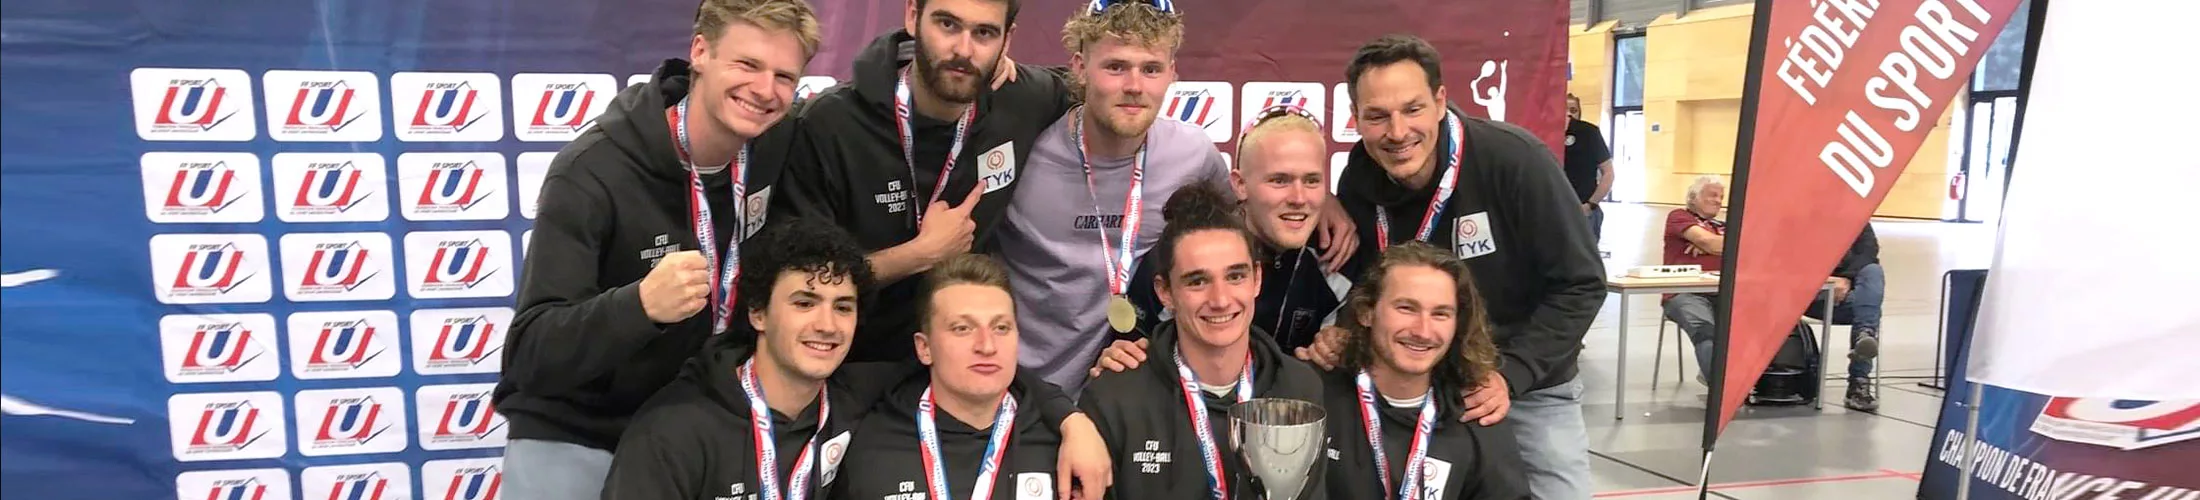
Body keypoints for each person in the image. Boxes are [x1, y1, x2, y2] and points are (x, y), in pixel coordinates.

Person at [494, 2, 822, 498]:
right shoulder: (591, 171)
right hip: (582, 434)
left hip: (695, 433)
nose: (764, 89)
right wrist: (640, 305)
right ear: (700, 52)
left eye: (784, 75)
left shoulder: (776, 147)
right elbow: (529, 353)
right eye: (748, 64)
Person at [602, 220, 1113, 500]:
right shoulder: (674, 431)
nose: (826, 324)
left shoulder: (855, 396)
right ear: (758, 313)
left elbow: (975, 369)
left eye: (842, 307)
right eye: (804, 303)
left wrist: (1071, 418)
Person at [1328, 34, 1606, 499]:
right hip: (1416, 378)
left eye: (1412, 109)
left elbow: (1581, 285)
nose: (1397, 132)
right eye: (1377, 116)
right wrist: (1340, 327)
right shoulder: (1361, 175)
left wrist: (1511, 375)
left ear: (1440, 101)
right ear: (1357, 118)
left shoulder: (1515, 160)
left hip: (1525, 384)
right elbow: (1369, 281)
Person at [776, 0, 1076, 363]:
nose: (964, 50)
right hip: (847, 365)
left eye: (984, 33)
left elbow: (1106, 90)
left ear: (1007, 40)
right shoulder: (831, 125)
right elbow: (800, 283)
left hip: (959, 366)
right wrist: (919, 254)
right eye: (947, 25)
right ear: (912, 16)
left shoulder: (1025, 98)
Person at [993, 0, 1231, 395]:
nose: (1134, 86)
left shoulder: (1194, 154)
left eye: (1151, 69)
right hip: (1022, 395)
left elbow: (1240, 227)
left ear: (1173, 74)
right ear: (1079, 67)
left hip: (1128, 396)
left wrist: (1325, 201)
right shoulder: (1024, 154)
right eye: (1116, 66)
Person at [1077, 183, 1327, 500]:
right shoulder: (1113, 396)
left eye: (1235, 276)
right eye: (1198, 281)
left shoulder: (1300, 388)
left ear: (1257, 279)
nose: (1220, 299)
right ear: (1165, 292)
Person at [827, 254, 1072, 500]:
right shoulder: (863, 437)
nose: (987, 346)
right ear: (924, 348)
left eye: (1001, 328)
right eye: (962, 328)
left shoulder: (1064, 444)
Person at [1121, 107, 1350, 355]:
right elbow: (1131, 354)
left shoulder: (1336, 256)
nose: (1298, 197)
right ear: (1240, 185)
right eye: (1279, 180)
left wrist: (1336, 351)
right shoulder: (1183, 251)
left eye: (1311, 180)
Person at [1323, 242, 1528, 500]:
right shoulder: (1315, 395)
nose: (1422, 331)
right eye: (1406, 308)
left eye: (1440, 314)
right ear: (1366, 312)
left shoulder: (1477, 412)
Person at [1807, 224, 1884, 411]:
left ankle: (1863, 337)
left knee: (1873, 271)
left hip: (1845, 297)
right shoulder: (1800, 214)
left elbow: (1869, 252)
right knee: (1868, 311)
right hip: (1807, 294)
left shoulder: (1856, 214)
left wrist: (1847, 278)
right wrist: (1828, 280)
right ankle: (1858, 383)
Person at [1661, 176, 1727, 381]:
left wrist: (1710, 246)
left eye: (1721, 196)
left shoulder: (1723, 226)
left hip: (1722, 292)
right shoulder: (1679, 217)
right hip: (1684, 293)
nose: (1718, 200)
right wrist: (1711, 246)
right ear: (1693, 197)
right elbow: (1710, 243)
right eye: (1712, 195)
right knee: (1706, 331)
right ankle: (1719, 387)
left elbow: (1753, 245)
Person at [1562, 94, 1613, 243]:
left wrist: (1590, 205)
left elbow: (1608, 173)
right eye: (1564, 109)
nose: (1569, 114)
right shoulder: (1545, 133)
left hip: (1583, 208)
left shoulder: (1589, 133)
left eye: (1573, 110)